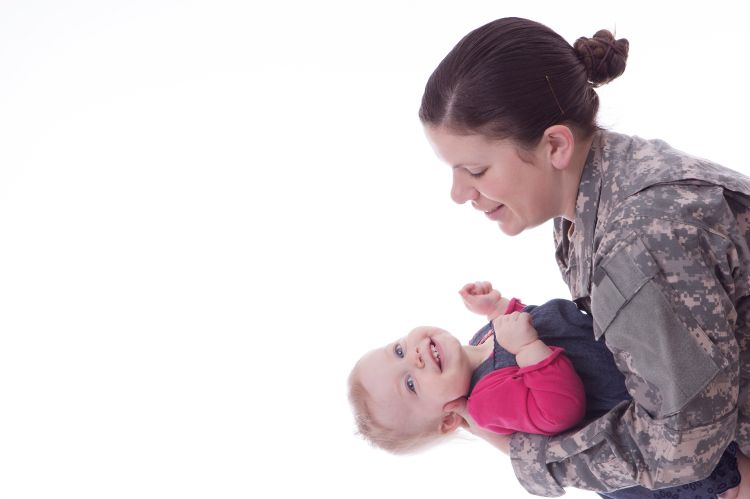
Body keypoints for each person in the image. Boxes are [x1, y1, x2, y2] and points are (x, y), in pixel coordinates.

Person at [418, 16, 750, 498]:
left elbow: (683, 447)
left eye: (475, 169)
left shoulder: (639, 236)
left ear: (554, 144)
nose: (457, 193)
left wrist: (523, 456)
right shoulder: (590, 194)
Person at [349, 281, 743, 499]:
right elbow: (559, 409)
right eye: (411, 385)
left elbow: (548, 326)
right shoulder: (487, 402)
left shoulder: (483, 335)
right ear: (450, 417)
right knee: (732, 475)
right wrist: (526, 348)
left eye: (398, 350)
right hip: (648, 436)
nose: (414, 357)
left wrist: (501, 307)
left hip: (650, 376)